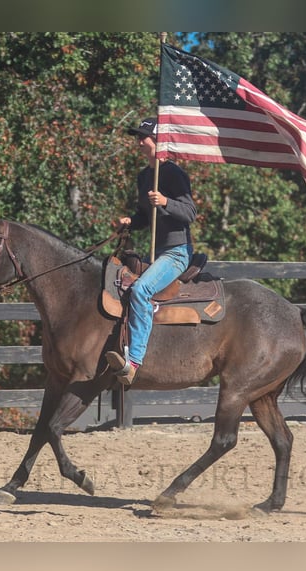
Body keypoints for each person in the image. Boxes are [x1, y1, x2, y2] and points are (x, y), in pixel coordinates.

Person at [105, 117, 197, 386]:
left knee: (140, 290)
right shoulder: (144, 176)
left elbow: (190, 212)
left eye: (144, 137)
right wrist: (131, 222)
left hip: (177, 252)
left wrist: (166, 201)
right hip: (155, 253)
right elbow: (145, 217)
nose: (139, 142)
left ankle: (133, 361)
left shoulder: (172, 173)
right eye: (138, 137)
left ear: (159, 142)